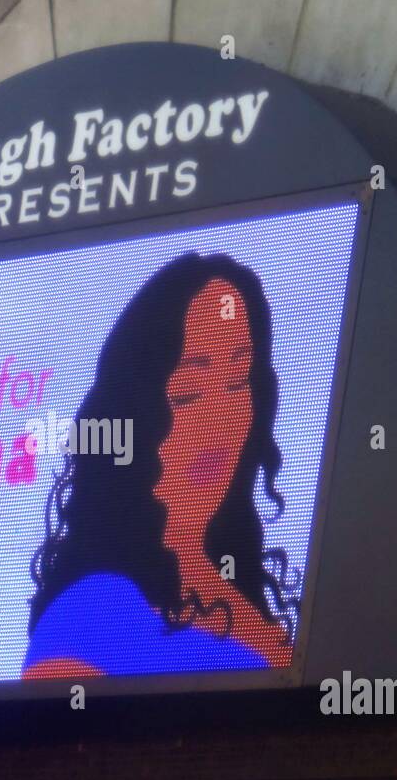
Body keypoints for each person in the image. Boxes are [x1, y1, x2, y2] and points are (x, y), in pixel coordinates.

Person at [22, 252, 299, 679]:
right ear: (134, 415)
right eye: (186, 392)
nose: (218, 421)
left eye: (238, 380)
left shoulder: (235, 583)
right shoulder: (90, 614)